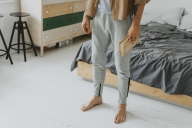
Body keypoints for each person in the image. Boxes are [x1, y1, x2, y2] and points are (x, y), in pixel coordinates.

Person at [81, 0, 150, 124]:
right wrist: (86, 15)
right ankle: (97, 96)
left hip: (122, 18)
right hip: (98, 15)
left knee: (122, 66)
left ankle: (122, 105)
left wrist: (136, 23)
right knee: (97, 59)